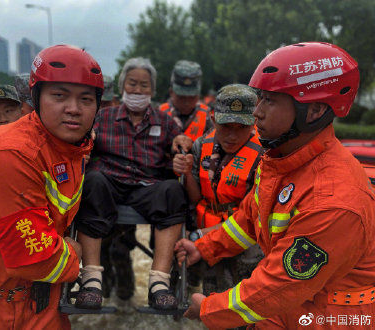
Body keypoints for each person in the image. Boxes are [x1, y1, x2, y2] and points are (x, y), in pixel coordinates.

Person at [175, 42, 375, 329]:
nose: (256, 112)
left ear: (315, 110)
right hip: (291, 308)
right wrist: (205, 247)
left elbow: (280, 285)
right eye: (259, 98)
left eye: (269, 100)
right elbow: (249, 219)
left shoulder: (333, 201)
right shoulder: (284, 162)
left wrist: (208, 308)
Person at [0, 44, 103, 329]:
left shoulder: (70, 147)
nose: (74, 109)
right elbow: (35, 259)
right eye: (59, 96)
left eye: (86, 99)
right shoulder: (10, 153)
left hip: (41, 302)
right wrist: (75, 252)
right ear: (36, 99)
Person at [73, 57, 192, 310]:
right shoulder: (101, 117)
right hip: (108, 184)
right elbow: (82, 147)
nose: (138, 90)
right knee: (91, 181)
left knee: (173, 190)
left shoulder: (166, 122)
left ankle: (159, 283)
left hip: (148, 186)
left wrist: (179, 147)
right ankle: (92, 279)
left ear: (153, 90)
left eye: (144, 85)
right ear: (122, 85)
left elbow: (178, 146)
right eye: (132, 83)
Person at [173, 84, 264, 295]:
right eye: (226, 126)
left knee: (243, 296)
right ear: (213, 120)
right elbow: (196, 197)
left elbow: (251, 216)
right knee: (210, 296)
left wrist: (200, 235)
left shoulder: (264, 155)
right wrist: (186, 172)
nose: (232, 136)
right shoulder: (199, 146)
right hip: (205, 231)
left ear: (254, 123)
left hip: (244, 239)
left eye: (241, 127)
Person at [159, 60, 212, 142]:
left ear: (198, 94)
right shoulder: (159, 114)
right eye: (181, 97)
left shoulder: (207, 115)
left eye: (192, 97)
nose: (187, 102)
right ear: (171, 92)